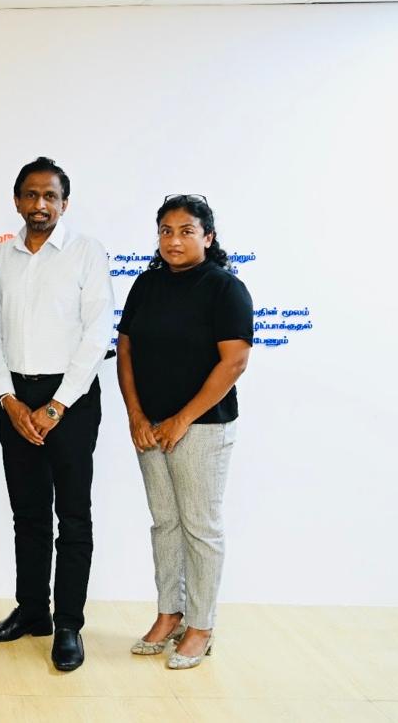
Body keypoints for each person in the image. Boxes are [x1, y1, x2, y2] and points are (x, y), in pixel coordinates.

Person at [0, 156, 113, 672]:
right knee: (28, 514)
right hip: (16, 399)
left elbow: (97, 334)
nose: (40, 204)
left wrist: (57, 405)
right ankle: (32, 610)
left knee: (73, 517)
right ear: (17, 201)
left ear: (64, 203)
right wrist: (8, 399)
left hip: (70, 401)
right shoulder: (2, 256)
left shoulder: (86, 252)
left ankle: (68, 625)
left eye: (50, 196)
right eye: (31, 195)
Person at [116, 195, 252, 670]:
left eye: (186, 231)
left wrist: (182, 419)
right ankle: (169, 614)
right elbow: (126, 349)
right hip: (150, 428)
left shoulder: (224, 288)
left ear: (208, 237)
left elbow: (233, 362)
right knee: (165, 523)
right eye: (166, 231)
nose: (174, 240)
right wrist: (136, 415)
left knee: (200, 527)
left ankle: (201, 625)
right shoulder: (146, 284)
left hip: (203, 428)